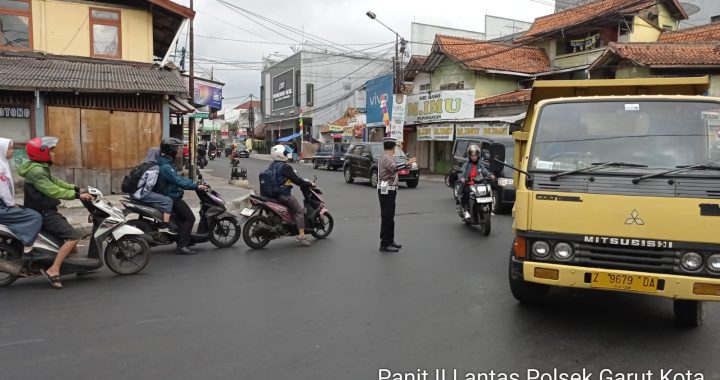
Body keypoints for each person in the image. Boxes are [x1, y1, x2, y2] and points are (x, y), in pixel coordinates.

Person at [18, 137, 93, 289]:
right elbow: (53, 190)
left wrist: (77, 189)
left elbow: (57, 182)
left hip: (46, 209)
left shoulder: (39, 167)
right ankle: (54, 269)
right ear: (42, 153)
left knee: (69, 235)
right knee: (73, 237)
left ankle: (75, 265)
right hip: (44, 212)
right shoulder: (37, 172)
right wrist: (77, 196)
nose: (54, 153)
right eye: (51, 151)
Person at [155, 138, 208, 255]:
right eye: (176, 148)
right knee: (190, 218)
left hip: (169, 194)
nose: (178, 150)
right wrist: (195, 186)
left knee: (181, 219)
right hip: (171, 197)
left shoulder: (166, 163)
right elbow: (178, 181)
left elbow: (178, 178)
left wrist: (192, 182)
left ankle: (184, 239)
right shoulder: (166, 167)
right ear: (170, 150)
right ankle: (182, 246)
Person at [0, 138, 42, 262]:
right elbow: (3, 191)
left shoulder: (3, 163)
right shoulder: (0, 167)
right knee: (35, 216)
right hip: (2, 208)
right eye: (9, 148)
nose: (12, 151)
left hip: (3, 205)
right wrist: (12, 205)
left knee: (24, 211)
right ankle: (28, 250)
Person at [269, 144, 314, 247]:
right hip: (283, 195)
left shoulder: (272, 165)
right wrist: (308, 184)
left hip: (273, 194)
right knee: (299, 212)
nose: (287, 155)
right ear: (280, 155)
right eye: (285, 153)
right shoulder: (285, 167)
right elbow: (296, 180)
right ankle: (301, 235)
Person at [377, 137, 416, 252]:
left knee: (390, 217)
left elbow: (396, 168)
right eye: (395, 147)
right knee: (387, 217)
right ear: (392, 148)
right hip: (386, 191)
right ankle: (384, 243)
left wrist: (408, 164)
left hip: (390, 190)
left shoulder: (389, 157)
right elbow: (394, 168)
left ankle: (390, 240)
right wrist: (406, 163)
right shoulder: (386, 158)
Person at [131, 147, 175, 235]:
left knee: (159, 198)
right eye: (160, 154)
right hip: (141, 194)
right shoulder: (154, 167)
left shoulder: (144, 164)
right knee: (168, 201)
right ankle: (165, 226)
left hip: (133, 192)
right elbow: (150, 184)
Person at [457, 145, 493, 219]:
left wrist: (490, 175)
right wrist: (462, 178)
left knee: (487, 190)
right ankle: (465, 210)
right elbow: (462, 171)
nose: (474, 157)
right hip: (469, 183)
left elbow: (484, 171)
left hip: (478, 183)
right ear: (469, 156)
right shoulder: (466, 164)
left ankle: (488, 206)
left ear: (478, 156)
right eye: (472, 155)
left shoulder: (480, 164)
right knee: (467, 193)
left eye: (475, 155)